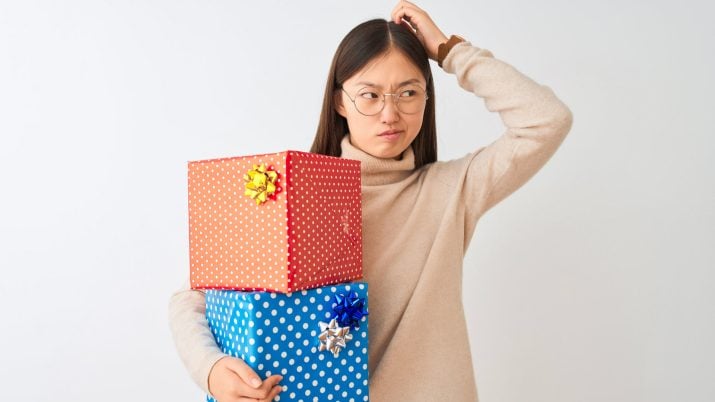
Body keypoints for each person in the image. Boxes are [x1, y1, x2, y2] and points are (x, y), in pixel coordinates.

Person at [169, 1, 573, 401]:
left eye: (408, 92)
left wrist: (449, 51)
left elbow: (546, 120)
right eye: (370, 95)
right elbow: (194, 297)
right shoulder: (291, 192)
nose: (390, 114)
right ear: (340, 101)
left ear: (427, 98)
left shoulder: (453, 190)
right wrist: (211, 369)